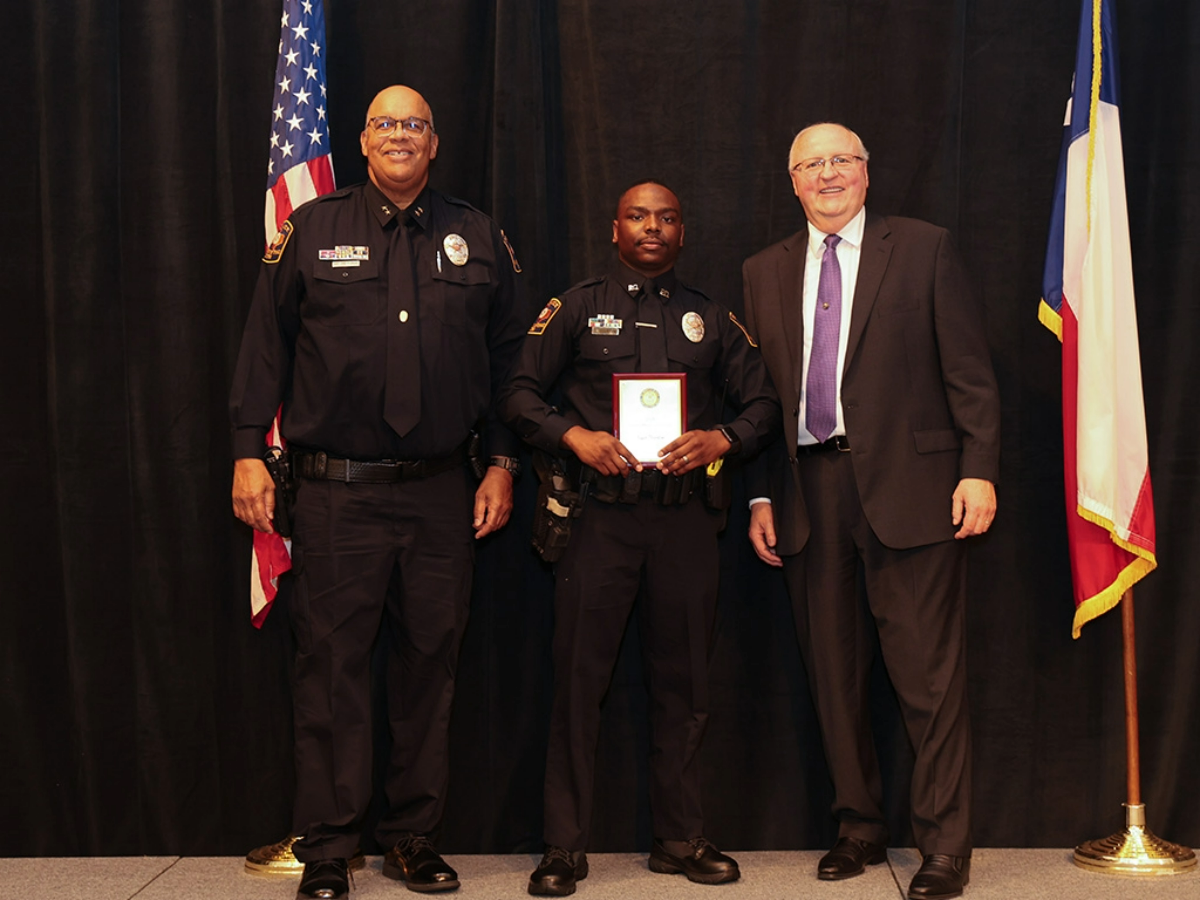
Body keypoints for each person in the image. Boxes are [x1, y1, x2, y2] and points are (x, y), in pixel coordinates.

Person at [229, 84, 526, 900]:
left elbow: (511, 368)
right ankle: (328, 847)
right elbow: (266, 346)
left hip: (442, 492)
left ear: (436, 144)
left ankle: (411, 838)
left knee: (431, 667)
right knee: (331, 671)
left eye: (416, 125)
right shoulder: (313, 228)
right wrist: (247, 451)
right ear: (363, 141)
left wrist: (502, 461)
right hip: (337, 494)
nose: (401, 136)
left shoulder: (477, 234)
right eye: (386, 124)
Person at [742, 123, 1000, 900]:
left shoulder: (923, 247)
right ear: (792, 181)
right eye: (812, 165)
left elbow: (971, 375)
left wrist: (979, 471)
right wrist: (758, 491)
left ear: (866, 172)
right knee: (833, 674)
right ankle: (857, 826)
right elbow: (758, 396)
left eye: (841, 162)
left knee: (929, 678)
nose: (828, 175)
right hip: (808, 495)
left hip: (915, 491)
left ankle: (944, 846)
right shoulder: (762, 270)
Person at [500, 181, 780, 896]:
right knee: (577, 685)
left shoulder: (709, 317)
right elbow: (519, 394)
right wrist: (575, 436)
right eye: (638, 216)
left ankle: (679, 838)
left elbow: (764, 403)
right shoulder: (575, 306)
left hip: (685, 522)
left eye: (666, 218)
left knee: (684, 686)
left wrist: (722, 435)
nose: (651, 227)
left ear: (683, 233)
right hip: (598, 521)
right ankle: (563, 847)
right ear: (614, 228)